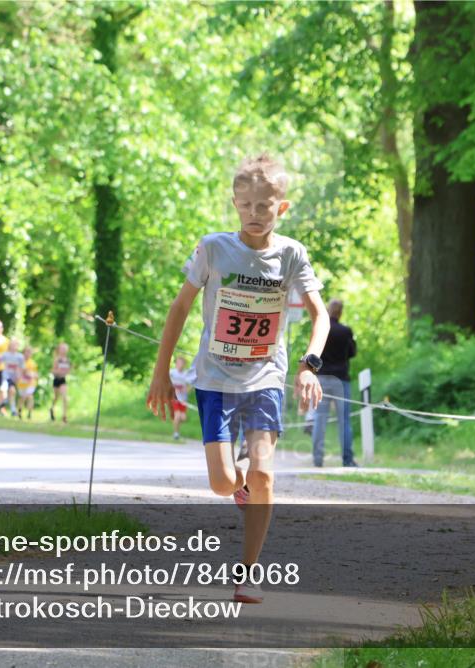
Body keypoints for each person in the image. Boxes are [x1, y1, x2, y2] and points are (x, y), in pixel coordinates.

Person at [146, 153, 329, 604]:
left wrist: (309, 364)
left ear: (281, 208)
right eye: (245, 205)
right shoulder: (213, 248)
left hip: (266, 376)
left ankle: (247, 573)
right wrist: (161, 374)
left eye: (264, 206)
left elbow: (319, 315)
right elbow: (180, 308)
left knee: (264, 473)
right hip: (215, 378)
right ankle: (240, 489)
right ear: (234, 203)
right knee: (223, 482)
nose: (254, 214)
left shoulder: (291, 254)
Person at [311, 299, 358, 467]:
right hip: (341, 380)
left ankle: (317, 459)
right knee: (344, 421)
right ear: (341, 312)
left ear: (328, 310)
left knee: (319, 419)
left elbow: (313, 353)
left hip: (322, 378)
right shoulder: (346, 331)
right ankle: (347, 459)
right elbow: (352, 353)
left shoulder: (321, 329)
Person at [169, 355, 195, 440]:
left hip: (183, 399)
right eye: (179, 362)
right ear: (176, 363)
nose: (180, 364)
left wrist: (187, 390)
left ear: (184, 364)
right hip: (175, 398)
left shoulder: (186, 374)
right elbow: (166, 381)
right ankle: (176, 433)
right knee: (178, 415)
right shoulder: (172, 372)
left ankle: (175, 424)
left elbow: (192, 384)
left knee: (183, 418)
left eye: (182, 363)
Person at [0, 338, 25, 418]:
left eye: (15, 345)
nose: (13, 346)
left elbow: (21, 368)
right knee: (6, 390)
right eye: (12, 345)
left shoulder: (20, 357)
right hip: (6, 376)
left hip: (14, 377)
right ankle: (9, 406)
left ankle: (10, 407)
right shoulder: (5, 354)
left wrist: (19, 376)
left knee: (12, 392)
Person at [50, 342, 71, 423]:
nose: (64, 350)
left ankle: (64, 416)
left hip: (63, 380)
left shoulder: (67, 360)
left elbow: (68, 370)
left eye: (65, 349)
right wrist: (58, 372)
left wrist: (66, 372)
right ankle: (51, 408)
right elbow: (53, 371)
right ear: (59, 350)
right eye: (62, 349)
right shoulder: (57, 359)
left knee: (65, 397)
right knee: (56, 397)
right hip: (56, 380)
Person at [17, 346, 39, 420]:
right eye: (26, 352)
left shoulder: (33, 363)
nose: (28, 354)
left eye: (29, 352)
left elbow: (36, 374)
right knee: (22, 397)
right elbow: (19, 372)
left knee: (30, 396)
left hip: (30, 383)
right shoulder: (20, 361)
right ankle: (19, 410)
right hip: (22, 383)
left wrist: (32, 375)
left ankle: (29, 413)